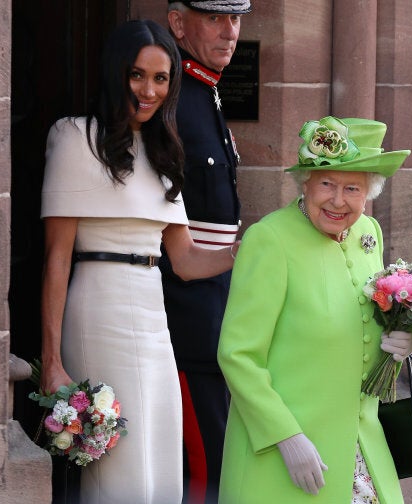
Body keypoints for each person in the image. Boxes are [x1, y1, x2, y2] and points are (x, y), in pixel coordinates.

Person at [39, 19, 238, 504]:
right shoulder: (73, 136)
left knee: (160, 453)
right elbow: (56, 259)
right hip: (98, 308)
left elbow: (187, 261)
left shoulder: (164, 150)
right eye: (137, 75)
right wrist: (51, 361)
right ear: (115, 73)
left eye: (160, 79)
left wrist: (248, 250)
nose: (148, 91)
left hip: (153, 314)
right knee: (119, 466)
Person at [217, 116, 412, 503]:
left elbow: (361, 324)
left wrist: (397, 343)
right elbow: (237, 355)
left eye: (352, 188)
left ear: (369, 193)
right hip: (284, 457)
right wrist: (285, 437)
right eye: (327, 184)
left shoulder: (367, 234)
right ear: (305, 183)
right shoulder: (269, 240)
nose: (338, 200)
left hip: (360, 449)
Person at [160, 2, 251, 503]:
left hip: (217, 309)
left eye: (235, 19)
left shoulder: (205, 93)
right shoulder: (170, 96)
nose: (229, 31)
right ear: (178, 23)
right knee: (203, 471)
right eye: (215, 18)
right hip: (187, 318)